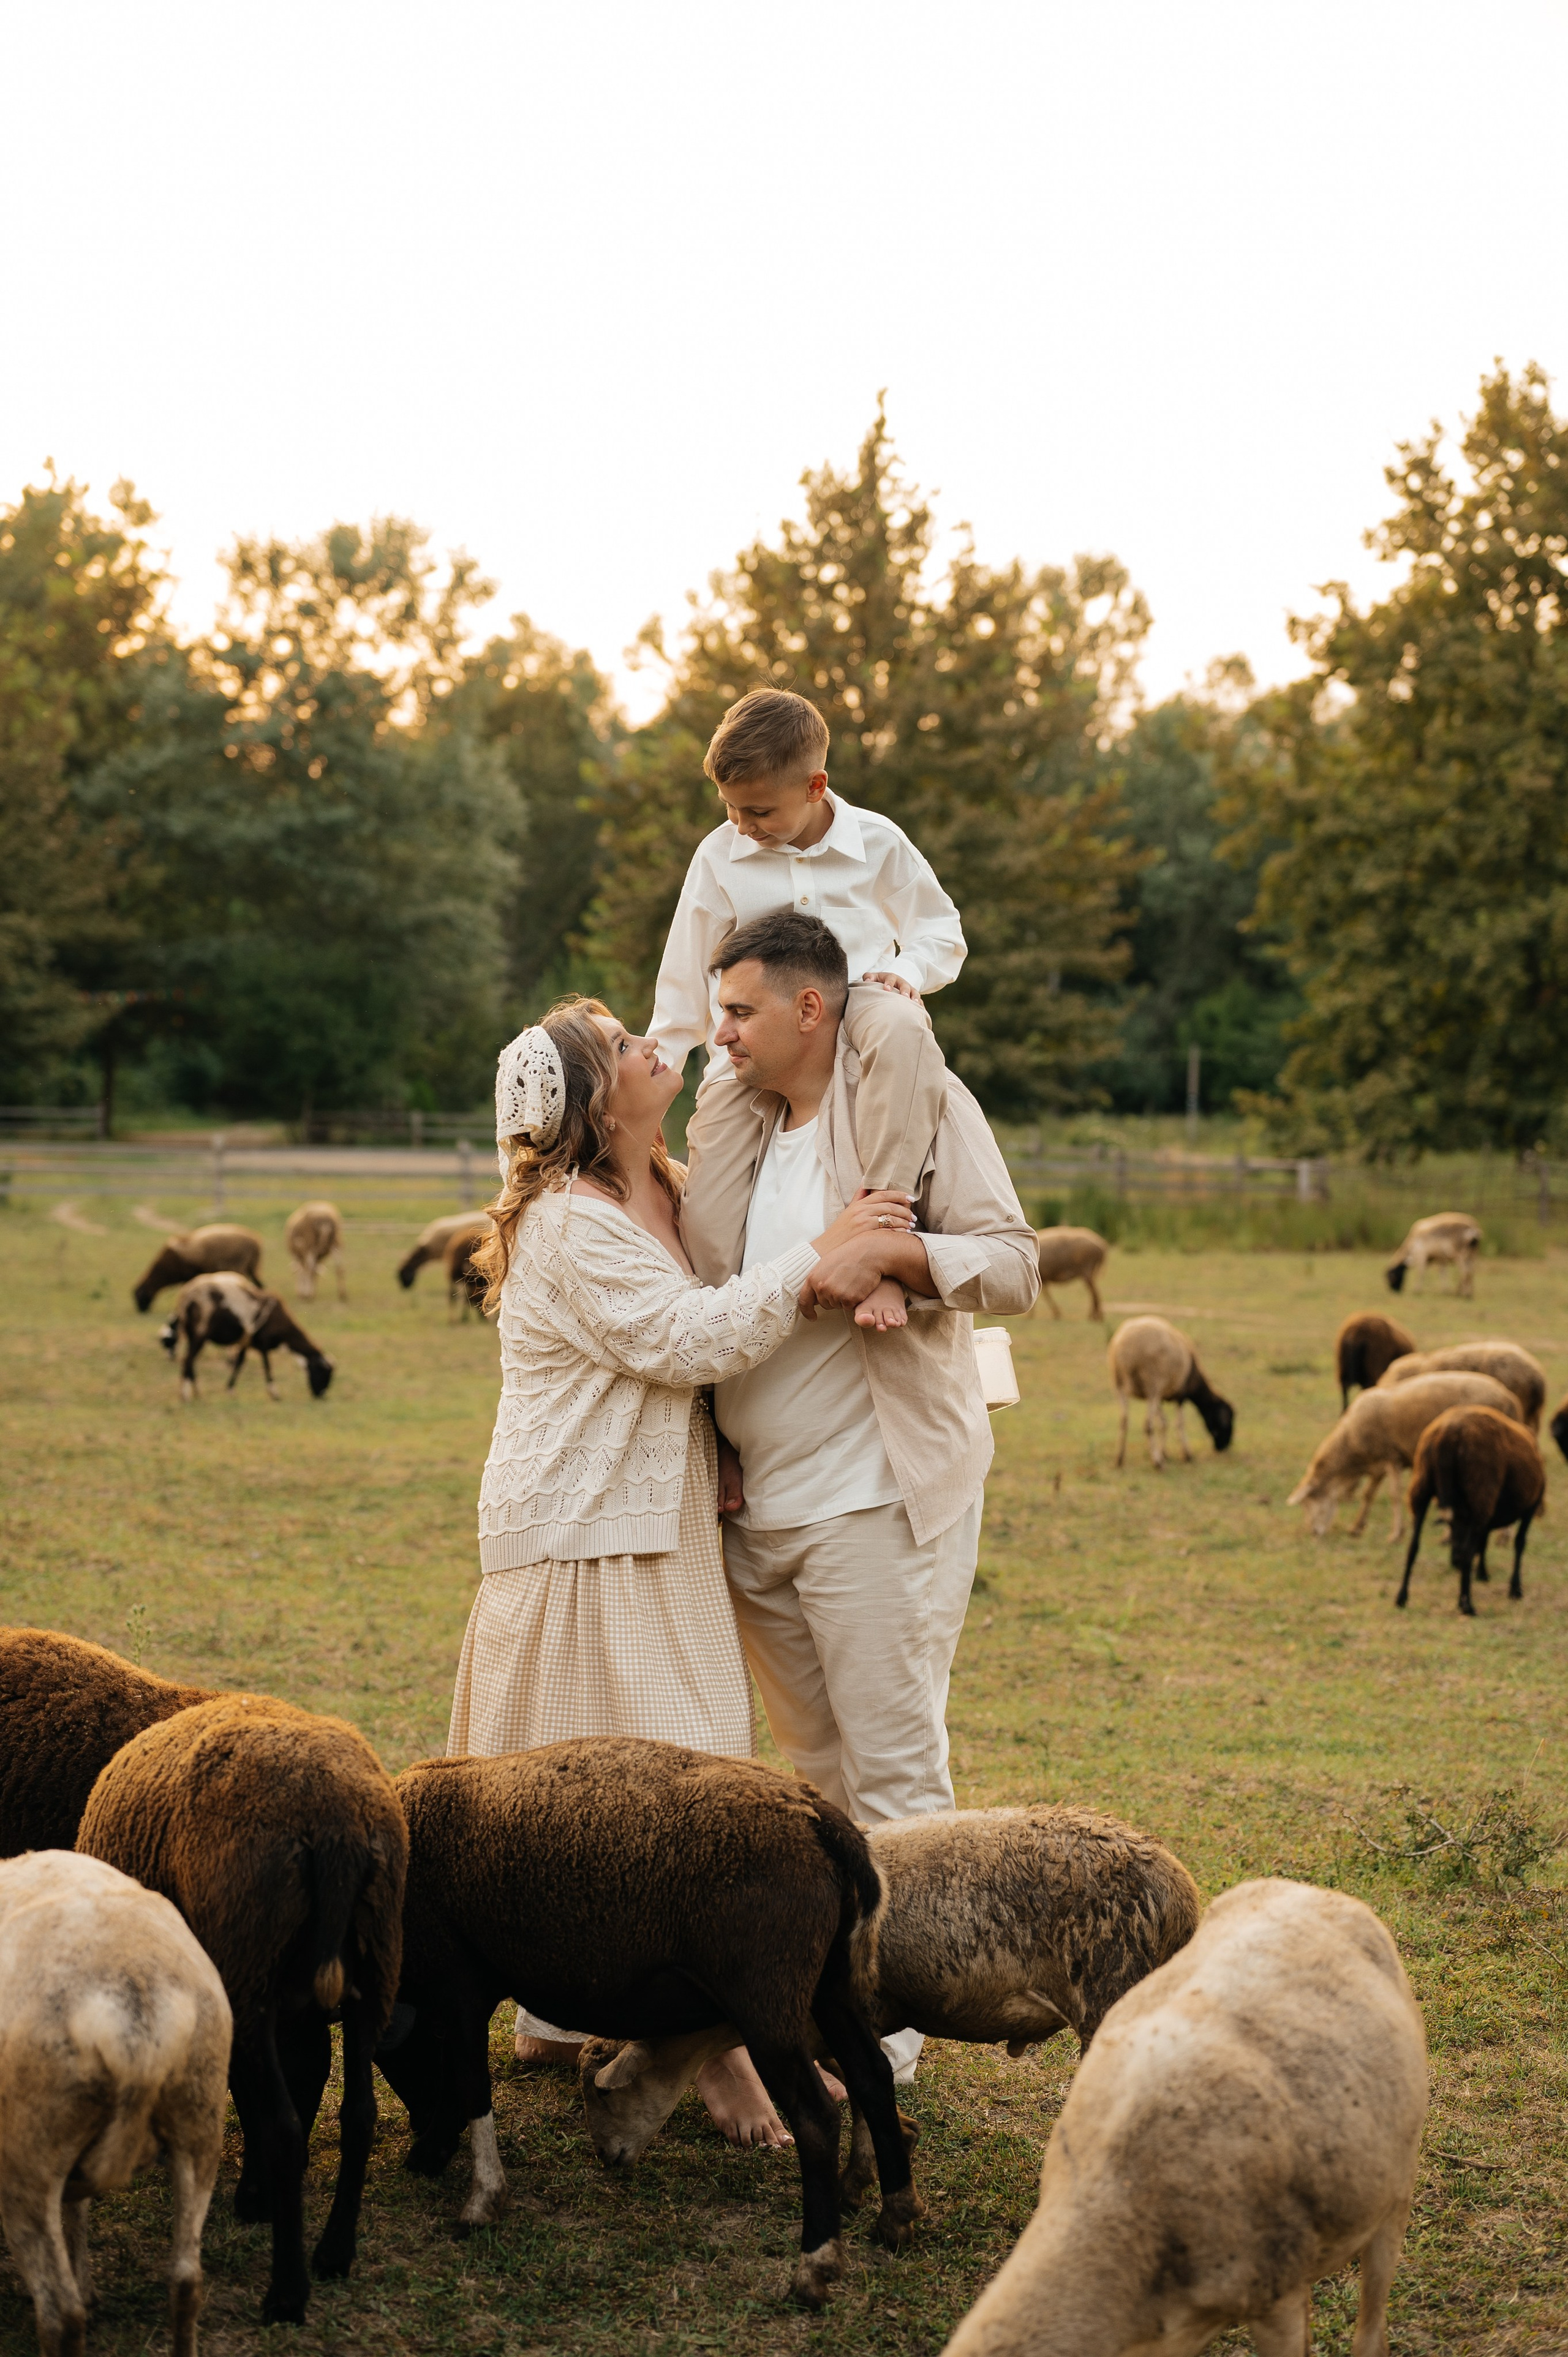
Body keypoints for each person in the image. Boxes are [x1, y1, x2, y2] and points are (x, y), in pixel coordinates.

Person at [448, 995, 916, 2144]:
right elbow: (686, 1335)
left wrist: (721, 1440)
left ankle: (623, 2021)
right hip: (583, 1528)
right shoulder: (568, 1221)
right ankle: (708, 2050)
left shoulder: (664, 1180)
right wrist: (829, 1252)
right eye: (621, 1045)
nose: (650, 1043)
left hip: (647, 1516)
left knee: (661, 1787)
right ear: (592, 1103)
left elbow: (690, 1345)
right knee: (630, 1788)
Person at [688, 910, 1040, 2083]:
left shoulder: (916, 1103)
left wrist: (900, 1256)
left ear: (810, 1007)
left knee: (893, 1769)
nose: (721, 1032)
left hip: (877, 1496)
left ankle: (895, 2035)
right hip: (759, 1511)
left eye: (740, 1010)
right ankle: (840, 1986)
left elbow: (1014, 1262)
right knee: (814, 1776)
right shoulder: (740, 1130)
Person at [650, 686, 965, 1335]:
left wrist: (906, 972)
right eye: (731, 807)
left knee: (903, 1023)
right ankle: (717, 1347)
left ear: (816, 785)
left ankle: (884, 1226)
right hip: (756, 1034)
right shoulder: (718, 855)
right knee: (707, 1216)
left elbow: (942, 931)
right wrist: (663, 1071)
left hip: (858, 1007)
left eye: (759, 810)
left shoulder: (878, 841)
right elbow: (685, 969)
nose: (742, 824)